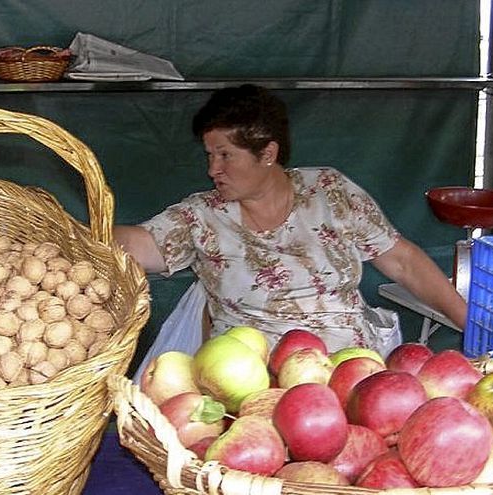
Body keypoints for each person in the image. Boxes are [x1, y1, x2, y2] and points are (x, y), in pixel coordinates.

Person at [114, 84, 467, 353]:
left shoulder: (330, 190)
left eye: (225, 156)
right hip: (252, 382)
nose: (212, 170)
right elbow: (135, 245)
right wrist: (64, 233)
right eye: (209, 156)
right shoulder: (202, 216)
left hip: (350, 372)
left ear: (267, 153)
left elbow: (403, 262)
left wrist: (469, 323)